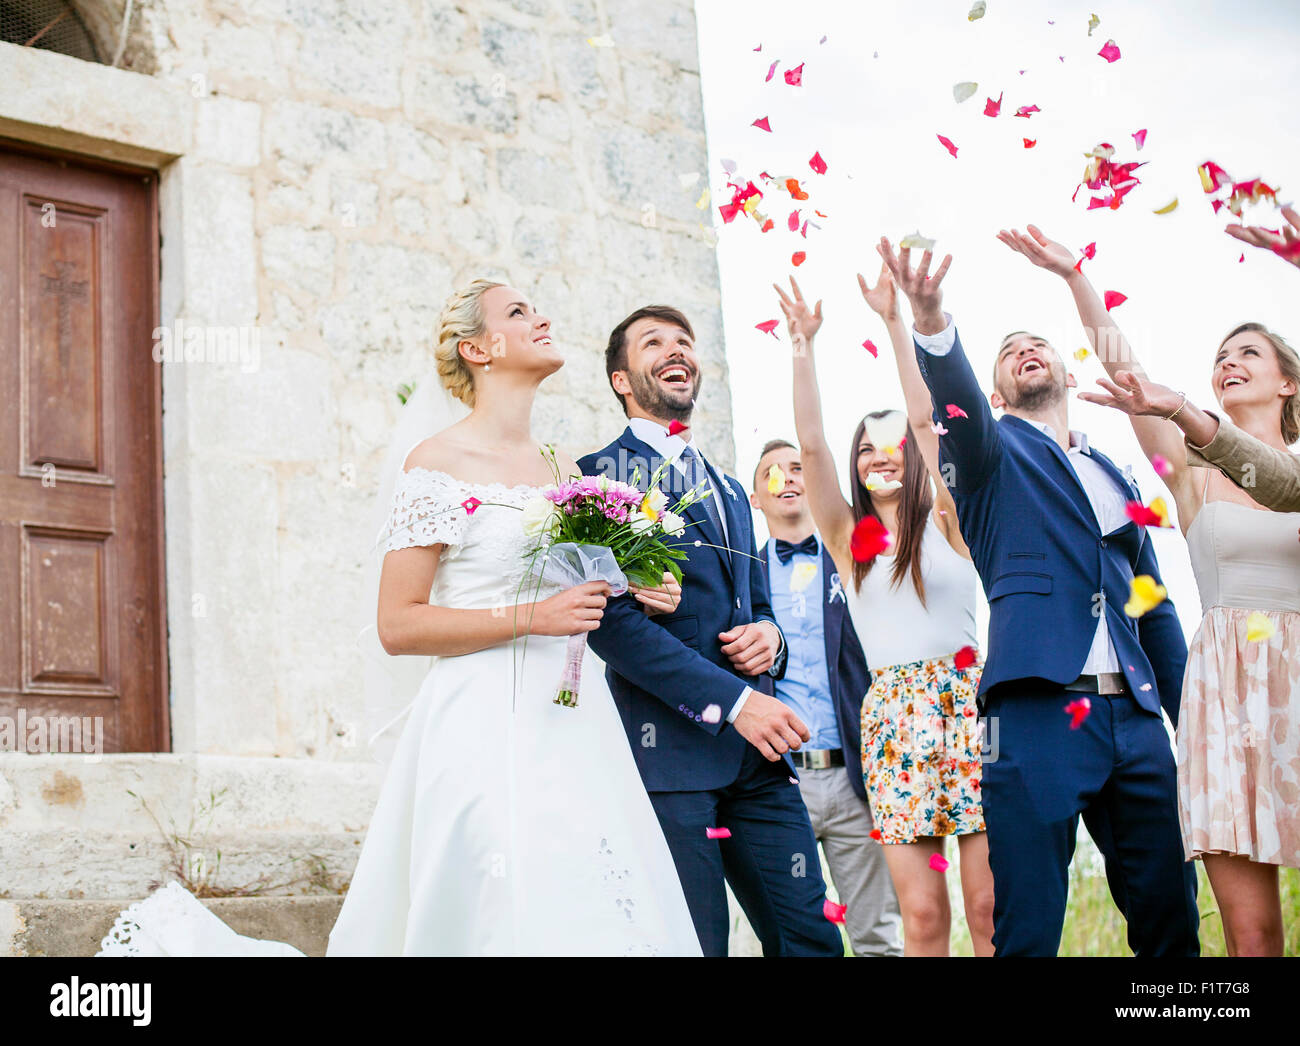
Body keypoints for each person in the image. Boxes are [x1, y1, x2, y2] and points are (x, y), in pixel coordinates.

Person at [98, 280, 703, 957]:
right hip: (483, 721)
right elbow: (400, 625)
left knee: (595, 896)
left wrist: (638, 581)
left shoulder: (564, 465)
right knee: (500, 894)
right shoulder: (436, 464)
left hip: (575, 718)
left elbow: (577, 580)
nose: (542, 318)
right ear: (479, 348)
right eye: (519, 313)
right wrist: (534, 616)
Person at [879, 235, 1199, 957]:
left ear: (1061, 368)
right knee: (1027, 925)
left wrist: (1188, 724)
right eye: (1010, 349)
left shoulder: (1116, 472)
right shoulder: (988, 453)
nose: (1029, 349)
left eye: (1039, 343)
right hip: (1034, 714)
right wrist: (930, 319)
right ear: (994, 393)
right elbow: (952, 402)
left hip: (1138, 722)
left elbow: (1156, 606)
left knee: (1171, 918)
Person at [1000, 224, 1300, 954]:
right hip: (1227, 690)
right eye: (1220, 357)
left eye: (1248, 354)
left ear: (1288, 379)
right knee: (1250, 933)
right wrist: (1076, 280)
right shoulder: (1193, 472)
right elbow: (1130, 377)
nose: (1228, 364)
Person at [578, 305, 844, 958]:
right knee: (698, 945)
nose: (676, 350)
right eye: (653, 343)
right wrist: (736, 702)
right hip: (670, 762)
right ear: (621, 379)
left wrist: (772, 642)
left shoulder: (730, 488)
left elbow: (757, 606)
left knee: (811, 938)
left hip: (759, 763)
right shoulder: (597, 476)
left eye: (684, 341)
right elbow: (612, 628)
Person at [775, 273, 995, 957]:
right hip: (894, 717)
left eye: (890, 443)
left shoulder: (954, 521)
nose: (880, 454)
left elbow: (930, 421)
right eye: (866, 447)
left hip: (970, 705)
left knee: (988, 906)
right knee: (923, 917)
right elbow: (809, 447)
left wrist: (896, 323)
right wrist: (802, 346)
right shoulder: (847, 542)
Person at [750, 438, 904, 956]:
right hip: (777, 781)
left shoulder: (858, 564)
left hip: (854, 777)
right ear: (755, 498)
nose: (788, 479)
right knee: (793, 938)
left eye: (798, 468)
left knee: (879, 935)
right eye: (772, 473)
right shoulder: (742, 576)